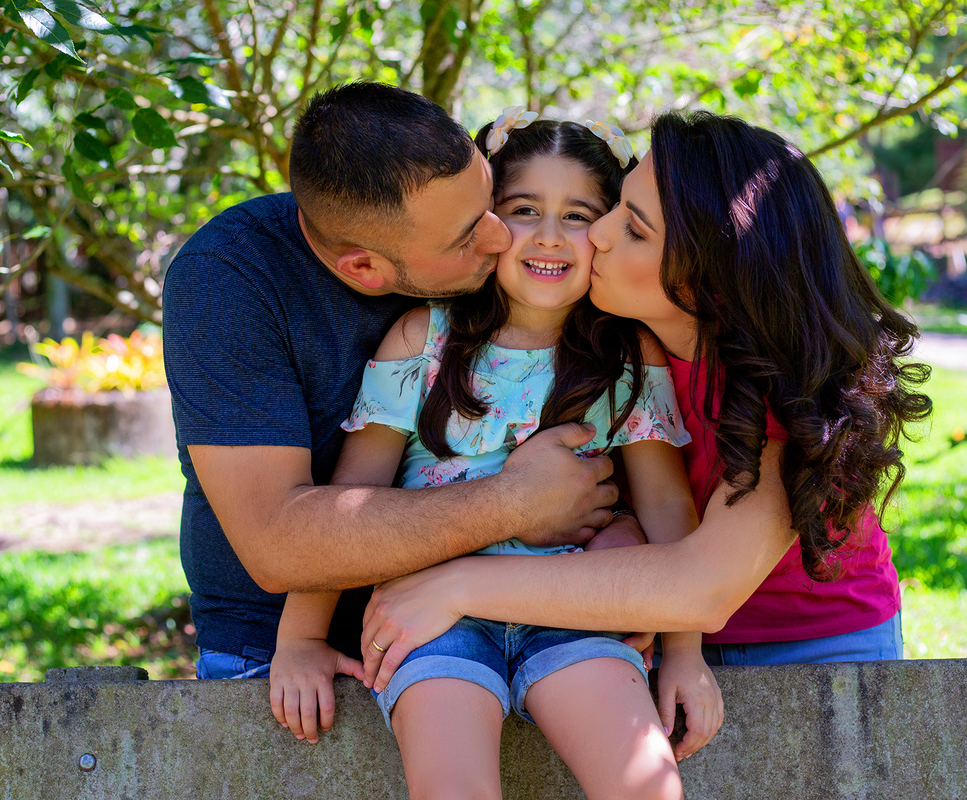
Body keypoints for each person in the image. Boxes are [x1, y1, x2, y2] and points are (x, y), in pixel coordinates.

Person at [358, 111, 933, 757]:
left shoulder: (792, 387)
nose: (594, 233)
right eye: (617, 204)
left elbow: (698, 588)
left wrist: (453, 585)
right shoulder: (610, 345)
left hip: (813, 645)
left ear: (706, 270)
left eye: (630, 227)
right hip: (634, 630)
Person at [269, 114, 702, 800]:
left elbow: (667, 505)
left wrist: (685, 653)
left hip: (576, 610)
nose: (551, 236)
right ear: (488, 225)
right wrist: (299, 640)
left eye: (579, 215)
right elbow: (351, 500)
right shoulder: (424, 340)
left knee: (645, 786)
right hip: (431, 619)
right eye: (524, 210)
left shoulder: (626, 355)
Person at [162, 83, 626, 681]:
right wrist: (517, 502)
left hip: (510, 617)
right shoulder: (232, 281)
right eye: (467, 236)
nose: (499, 236)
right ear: (365, 269)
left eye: (491, 201)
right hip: (281, 656)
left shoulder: (515, 260)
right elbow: (280, 546)